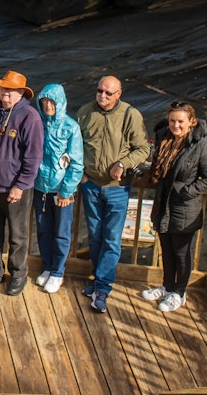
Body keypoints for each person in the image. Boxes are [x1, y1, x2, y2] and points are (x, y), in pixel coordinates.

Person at [77, 75, 151, 313]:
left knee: (111, 239)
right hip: (90, 186)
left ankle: (103, 286)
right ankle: (98, 279)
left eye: (109, 93)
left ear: (119, 94)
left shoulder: (131, 115)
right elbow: (75, 145)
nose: (103, 96)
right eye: (100, 91)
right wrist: (81, 174)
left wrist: (123, 163)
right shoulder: (85, 112)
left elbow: (143, 148)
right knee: (96, 236)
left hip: (117, 189)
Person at [0, 70, 43, 297]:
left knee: (18, 235)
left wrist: (20, 185)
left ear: (21, 93)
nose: (6, 93)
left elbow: (33, 156)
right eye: (3, 88)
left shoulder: (29, 116)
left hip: (13, 188)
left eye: (11, 90)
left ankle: (19, 274)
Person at [142, 101, 207, 312]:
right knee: (166, 250)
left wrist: (185, 191)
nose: (176, 126)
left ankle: (179, 293)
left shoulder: (202, 146)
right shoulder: (164, 137)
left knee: (182, 253)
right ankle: (167, 287)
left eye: (181, 122)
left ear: (191, 122)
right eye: (173, 121)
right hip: (163, 203)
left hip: (185, 208)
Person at [33, 83, 84, 294]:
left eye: (51, 101)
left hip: (61, 190)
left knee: (61, 232)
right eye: (44, 101)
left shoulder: (71, 127)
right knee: (43, 229)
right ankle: (47, 266)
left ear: (60, 102)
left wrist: (67, 190)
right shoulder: (37, 123)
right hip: (40, 187)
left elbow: (76, 162)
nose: (47, 105)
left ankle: (58, 272)